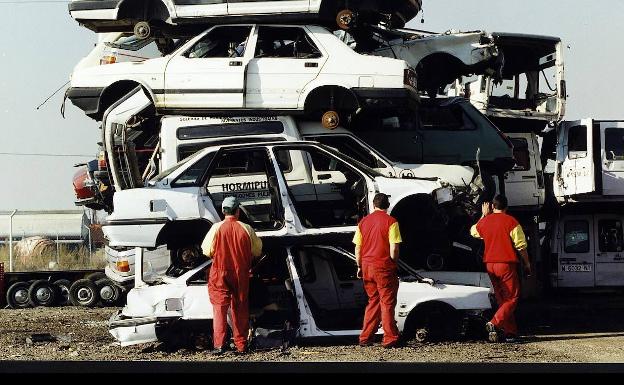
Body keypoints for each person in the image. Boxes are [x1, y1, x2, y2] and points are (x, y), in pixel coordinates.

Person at [201, 196, 263, 355]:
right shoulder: (246, 229)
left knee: (219, 309)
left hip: (219, 273)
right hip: (240, 273)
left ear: (223, 211)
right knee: (240, 308)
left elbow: (206, 251)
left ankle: (219, 346)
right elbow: (257, 251)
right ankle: (241, 345)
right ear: (238, 211)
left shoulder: (216, 228)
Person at [470, 194, 532, 343]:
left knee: (503, 300)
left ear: (492, 206)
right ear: (507, 207)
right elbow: (521, 246)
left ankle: (510, 333)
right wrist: (527, 263)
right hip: (506, 263)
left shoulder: (485, 222)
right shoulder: (511, 222)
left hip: (490, 264)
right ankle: (495, 322)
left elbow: (473, 231)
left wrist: (483, 216)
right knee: (512, 297)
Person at [353, 193, 402, 348]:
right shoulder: (391, 222)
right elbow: (394, 248)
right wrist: (393, 262)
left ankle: (365, 337)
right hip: (384, 267)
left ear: (373, 205)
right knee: (387, 302)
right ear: (387, 206)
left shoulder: (362, 222)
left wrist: (359, 266)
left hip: (367, 266)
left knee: (373, 301)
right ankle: (390, 338)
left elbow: (358, 248)